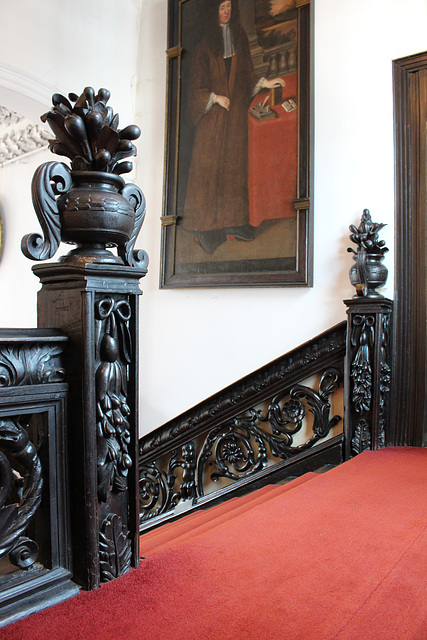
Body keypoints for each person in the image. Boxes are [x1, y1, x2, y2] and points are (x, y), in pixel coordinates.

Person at [183, 0, 285, 254]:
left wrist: (264, 82)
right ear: (213, 11)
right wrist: (214, 98)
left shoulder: (238, 35)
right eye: (221, 7)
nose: (226, 11)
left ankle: (234, 224)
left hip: (236, 112)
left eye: (229, 6)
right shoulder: (205, 46)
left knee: (234, 168)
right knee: (209, 170)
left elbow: (247, 72)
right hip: (214, 116)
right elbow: (196, 87)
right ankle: (204, 228)